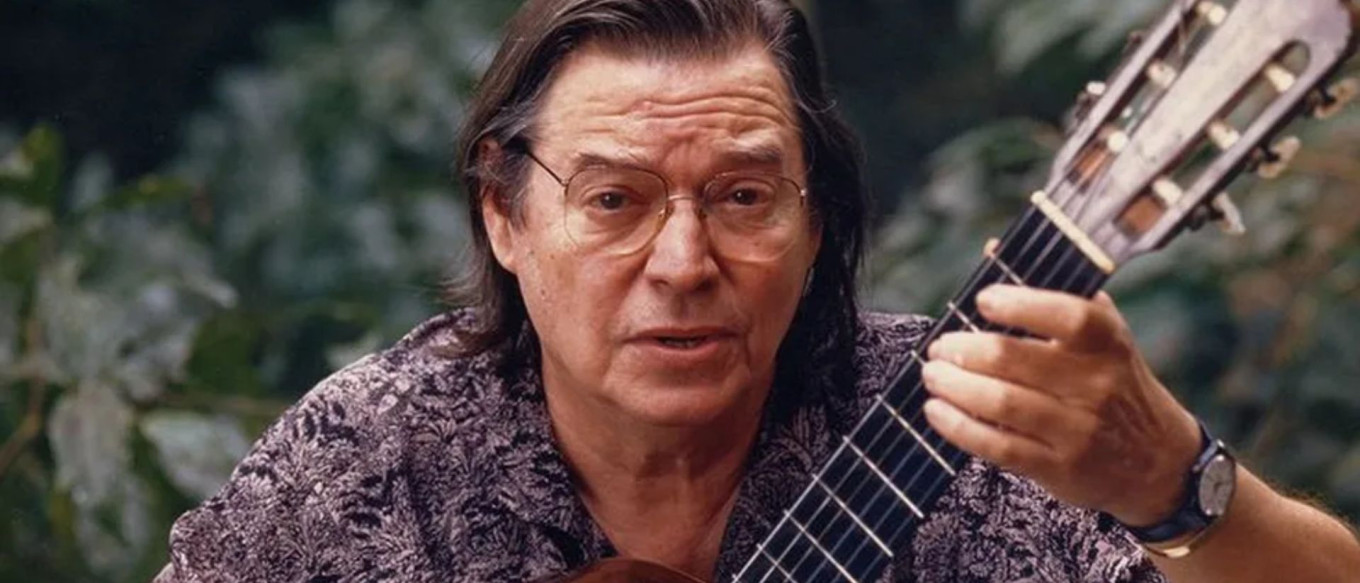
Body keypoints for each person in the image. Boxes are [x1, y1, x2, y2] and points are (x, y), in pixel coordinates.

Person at [154, 0, 1360, 581]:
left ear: (813, 217)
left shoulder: (968, 430)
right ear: (503, 217)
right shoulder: (372, 461)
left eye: (741, 196)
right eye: (615, 199)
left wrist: (1176, 486)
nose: (684, 263)